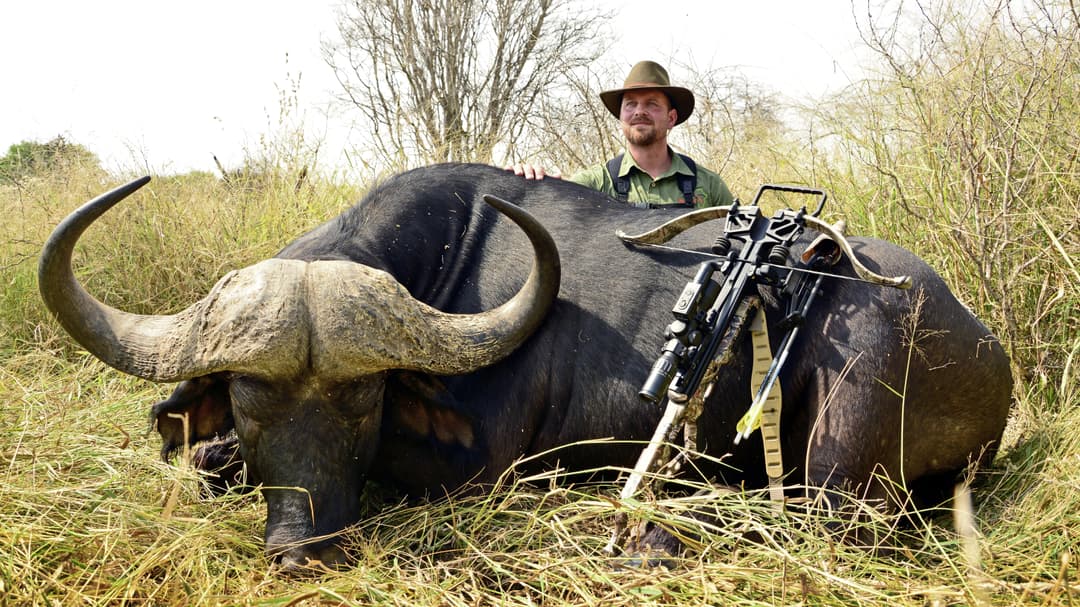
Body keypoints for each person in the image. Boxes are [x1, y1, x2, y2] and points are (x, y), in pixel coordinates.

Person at [507, 60, 735, 208]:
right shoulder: (595, 183)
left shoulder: (710, 187)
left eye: (652, 104)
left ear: (671, 118)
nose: (639, 112)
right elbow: (549, 213)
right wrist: (525, 184)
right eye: (631, 104)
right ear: (621, 117)